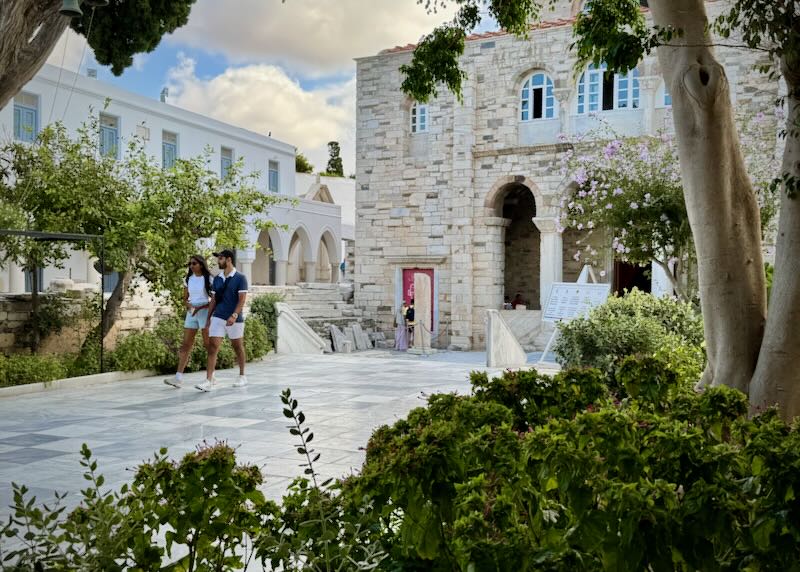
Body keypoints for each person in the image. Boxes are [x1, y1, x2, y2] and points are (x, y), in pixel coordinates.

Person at [195, 249, 249, 392]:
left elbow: (242, 300)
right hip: (218, 316)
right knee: (212, 347)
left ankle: (242, 375)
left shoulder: (240, 278)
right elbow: (213, 300)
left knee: (237, 347)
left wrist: (234, 315)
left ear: (229, 259)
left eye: (220, 258)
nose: (218, 261)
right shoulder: (218, 278)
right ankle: (209, 379)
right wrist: (208, 318)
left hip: (234, 318)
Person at [164, 255, 213, 388]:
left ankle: (210, 378)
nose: (191, 266)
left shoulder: (209, 279)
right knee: (186, 345)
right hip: (191, 312)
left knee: (208, 345)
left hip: (204, 311)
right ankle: (178, 378)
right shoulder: (188, 279)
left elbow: (214, 299)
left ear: (201, 265)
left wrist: (202, 308)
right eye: (190, 264)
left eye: (194, 263)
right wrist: (189, 306)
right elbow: (185, 298)